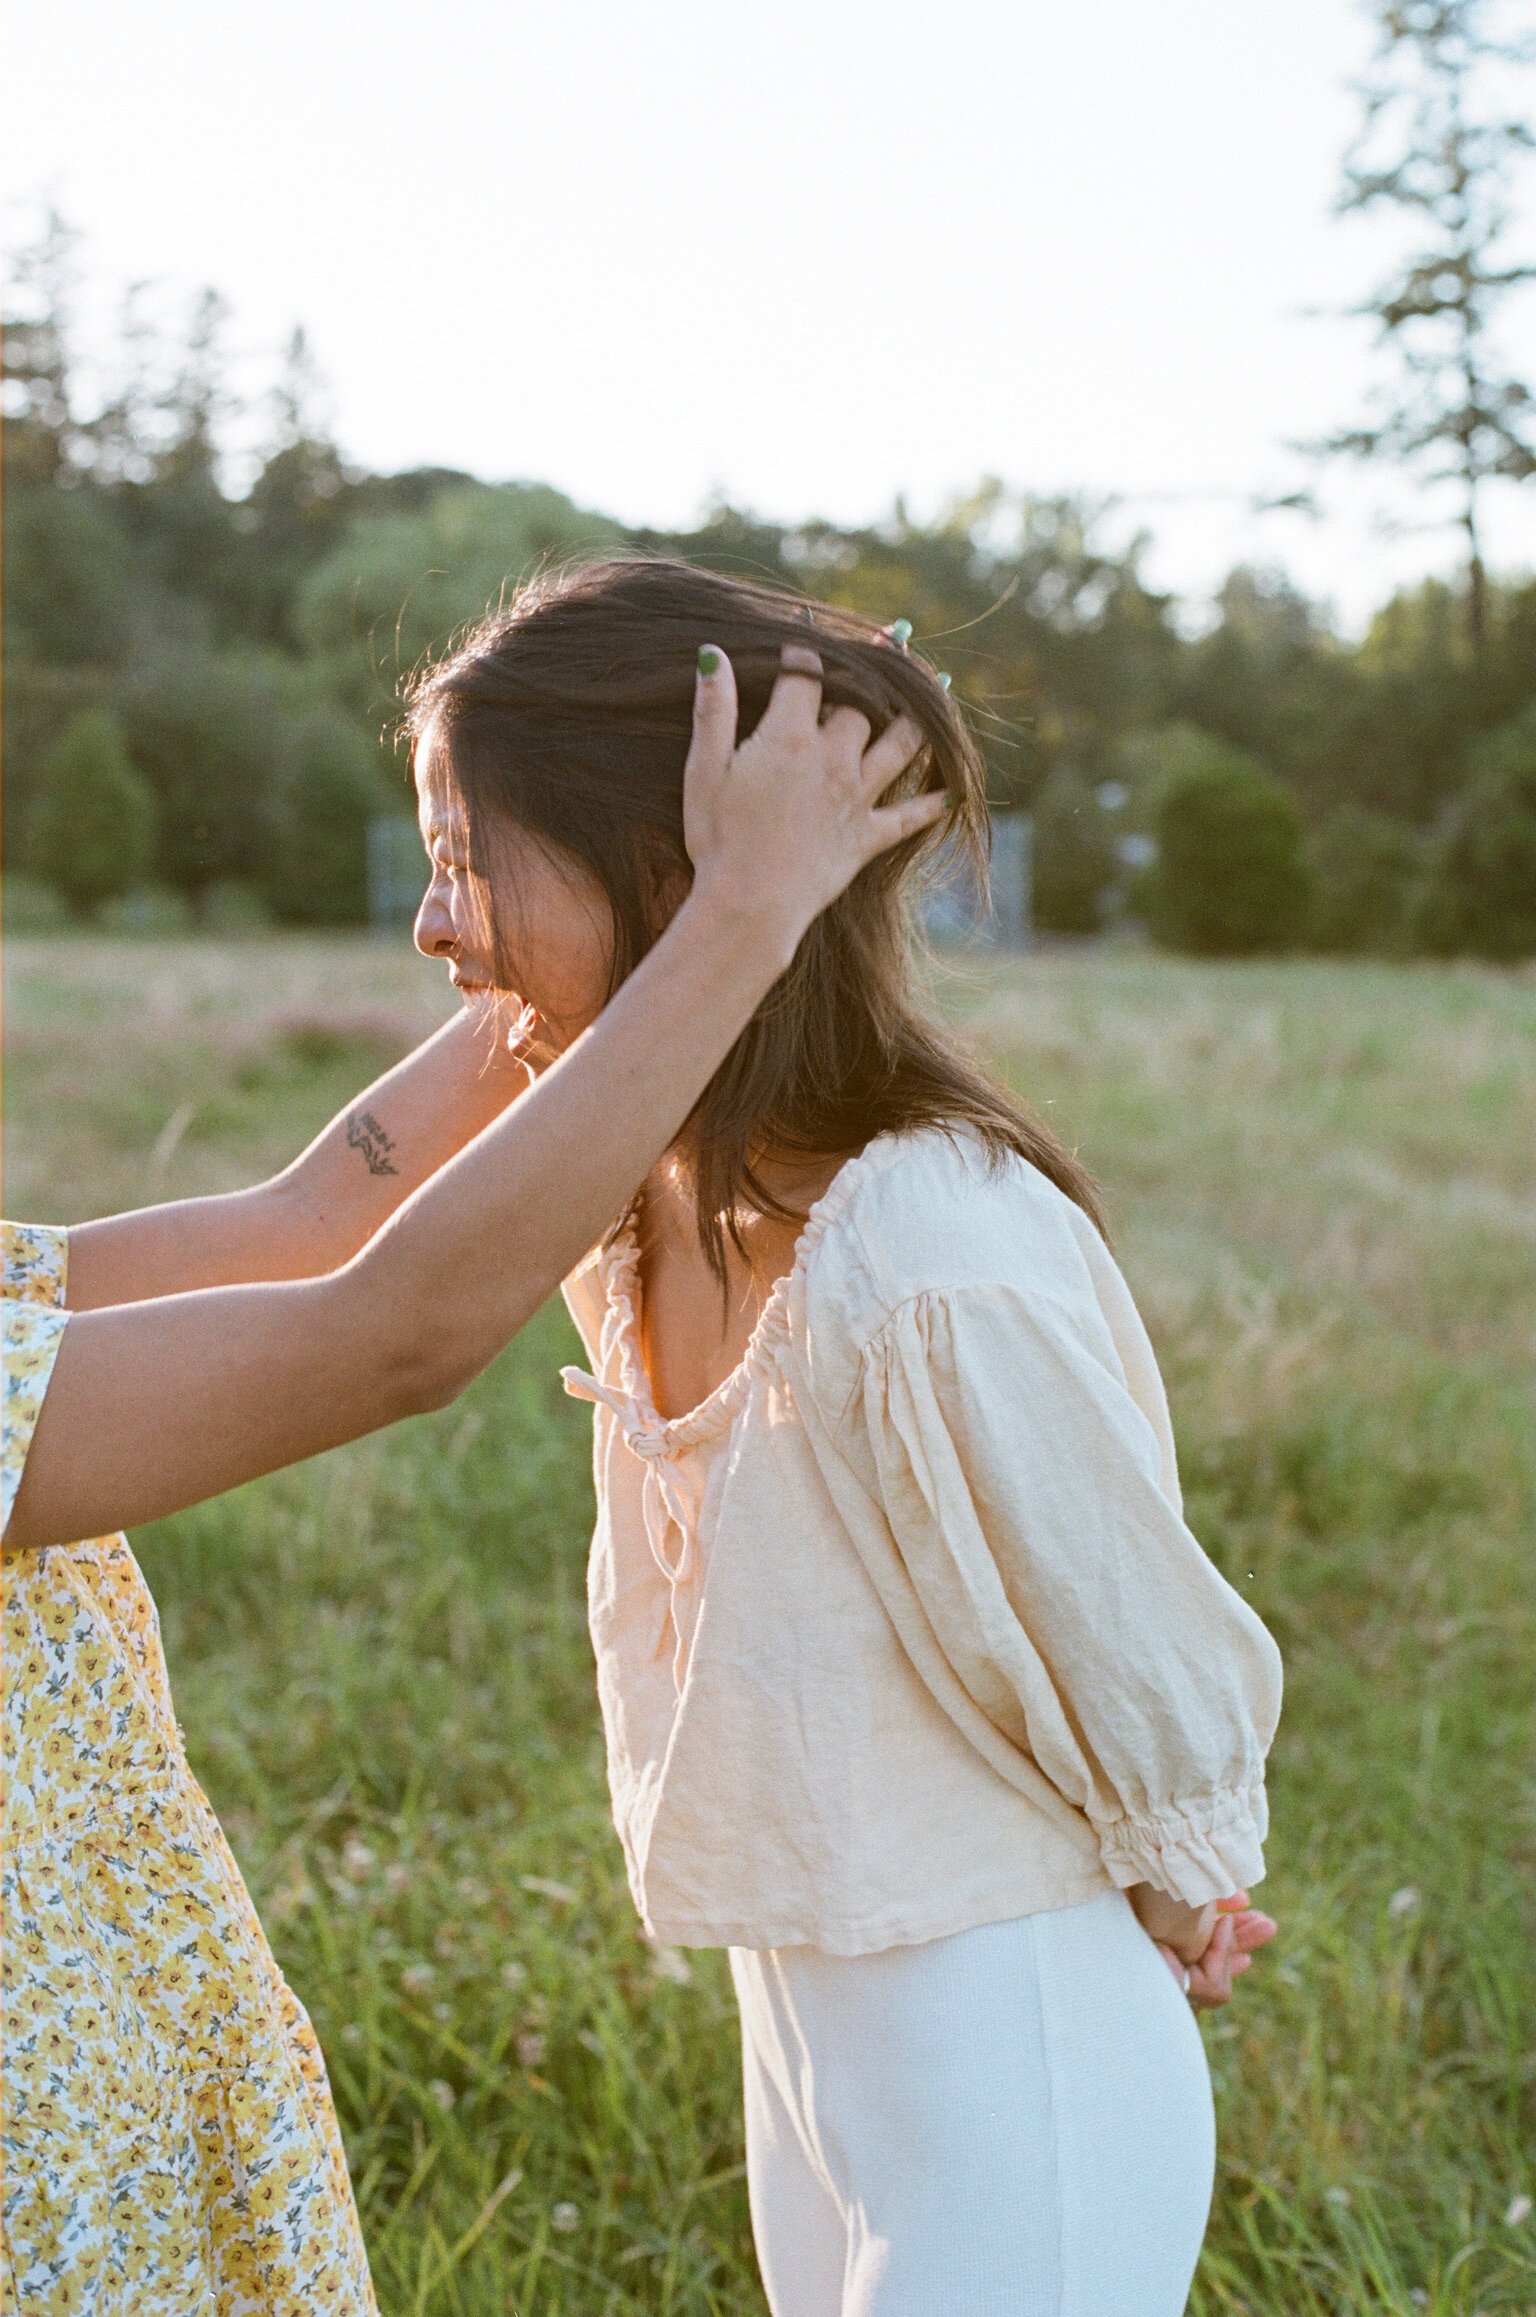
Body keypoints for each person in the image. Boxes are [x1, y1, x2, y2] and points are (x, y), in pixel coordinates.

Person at [0, 641, 943, 2315]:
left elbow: (297, 1222)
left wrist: (619, 932)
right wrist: (731, 925)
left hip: (113, 2085)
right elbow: (388, 1330)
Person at [405, 557, 1284, 2317]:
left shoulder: (925, 1240)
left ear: (673, 871)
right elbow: (335, 1248)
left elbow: (1114, 1617)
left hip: (1007, 2030)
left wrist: (1192, 1878)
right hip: (816, 2027)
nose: (436, 925)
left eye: (467, 860)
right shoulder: (650, 1208)